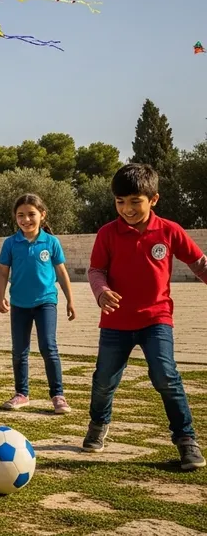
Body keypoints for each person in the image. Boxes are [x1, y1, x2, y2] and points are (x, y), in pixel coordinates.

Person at [83, 163, 207, 470]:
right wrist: (101, 292)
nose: (126, 209)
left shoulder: (169, 231)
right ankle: (98, 426)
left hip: (156, 318)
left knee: (166, 376)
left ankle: (186, 440)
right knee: (103, 382)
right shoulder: (107, 234)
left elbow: (199, 262)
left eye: (134, 202)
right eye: (120, 202)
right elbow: (96, 270)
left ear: (153, 199)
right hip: (115, 324)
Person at [0, 193, 76, 414]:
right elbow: (3, 273)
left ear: (42, 215)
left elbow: (61, 272)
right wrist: (1, 295)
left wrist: (70, 300)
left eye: (31, 214)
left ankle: (58, 395)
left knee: (48, 347)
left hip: (46, 302)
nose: (26, 220)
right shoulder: (10, 243)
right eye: (20, 215)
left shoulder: (51, 242)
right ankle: (22, 394)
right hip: (20, 304)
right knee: (19, 351)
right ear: (15, 218)